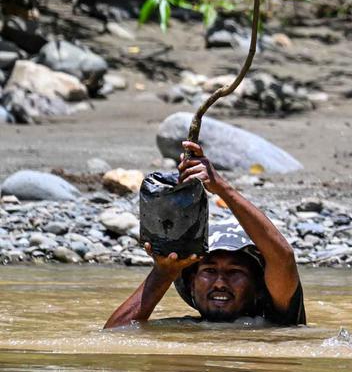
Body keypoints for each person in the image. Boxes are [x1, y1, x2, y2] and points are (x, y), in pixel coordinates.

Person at [105, 140, 306, 328]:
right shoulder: (184, 328)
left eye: (235, 272)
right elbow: (113, 337)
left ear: (259, 288)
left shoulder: (276, 320)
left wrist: (222, 188)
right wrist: (164, 272)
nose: (219, 283)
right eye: (209, 271)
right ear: (191, 284)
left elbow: (283, 258)